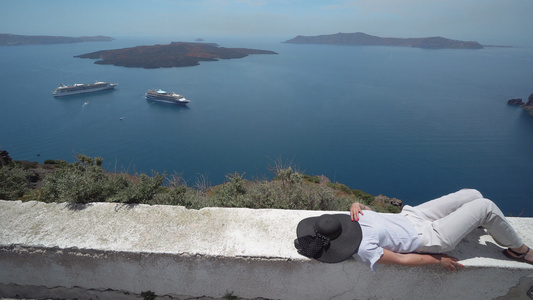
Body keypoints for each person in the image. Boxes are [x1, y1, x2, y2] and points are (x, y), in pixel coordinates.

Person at [294, 189, 532, 272]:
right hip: (429, 237)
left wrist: (359, 205)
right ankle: (518, 250)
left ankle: (474, 221)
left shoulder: (348, 221)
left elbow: (372, 216)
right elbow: (401, 259)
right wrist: (437, 260)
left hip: (412, 217)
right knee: (485, 206)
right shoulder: (363, 249)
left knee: (472, 195)